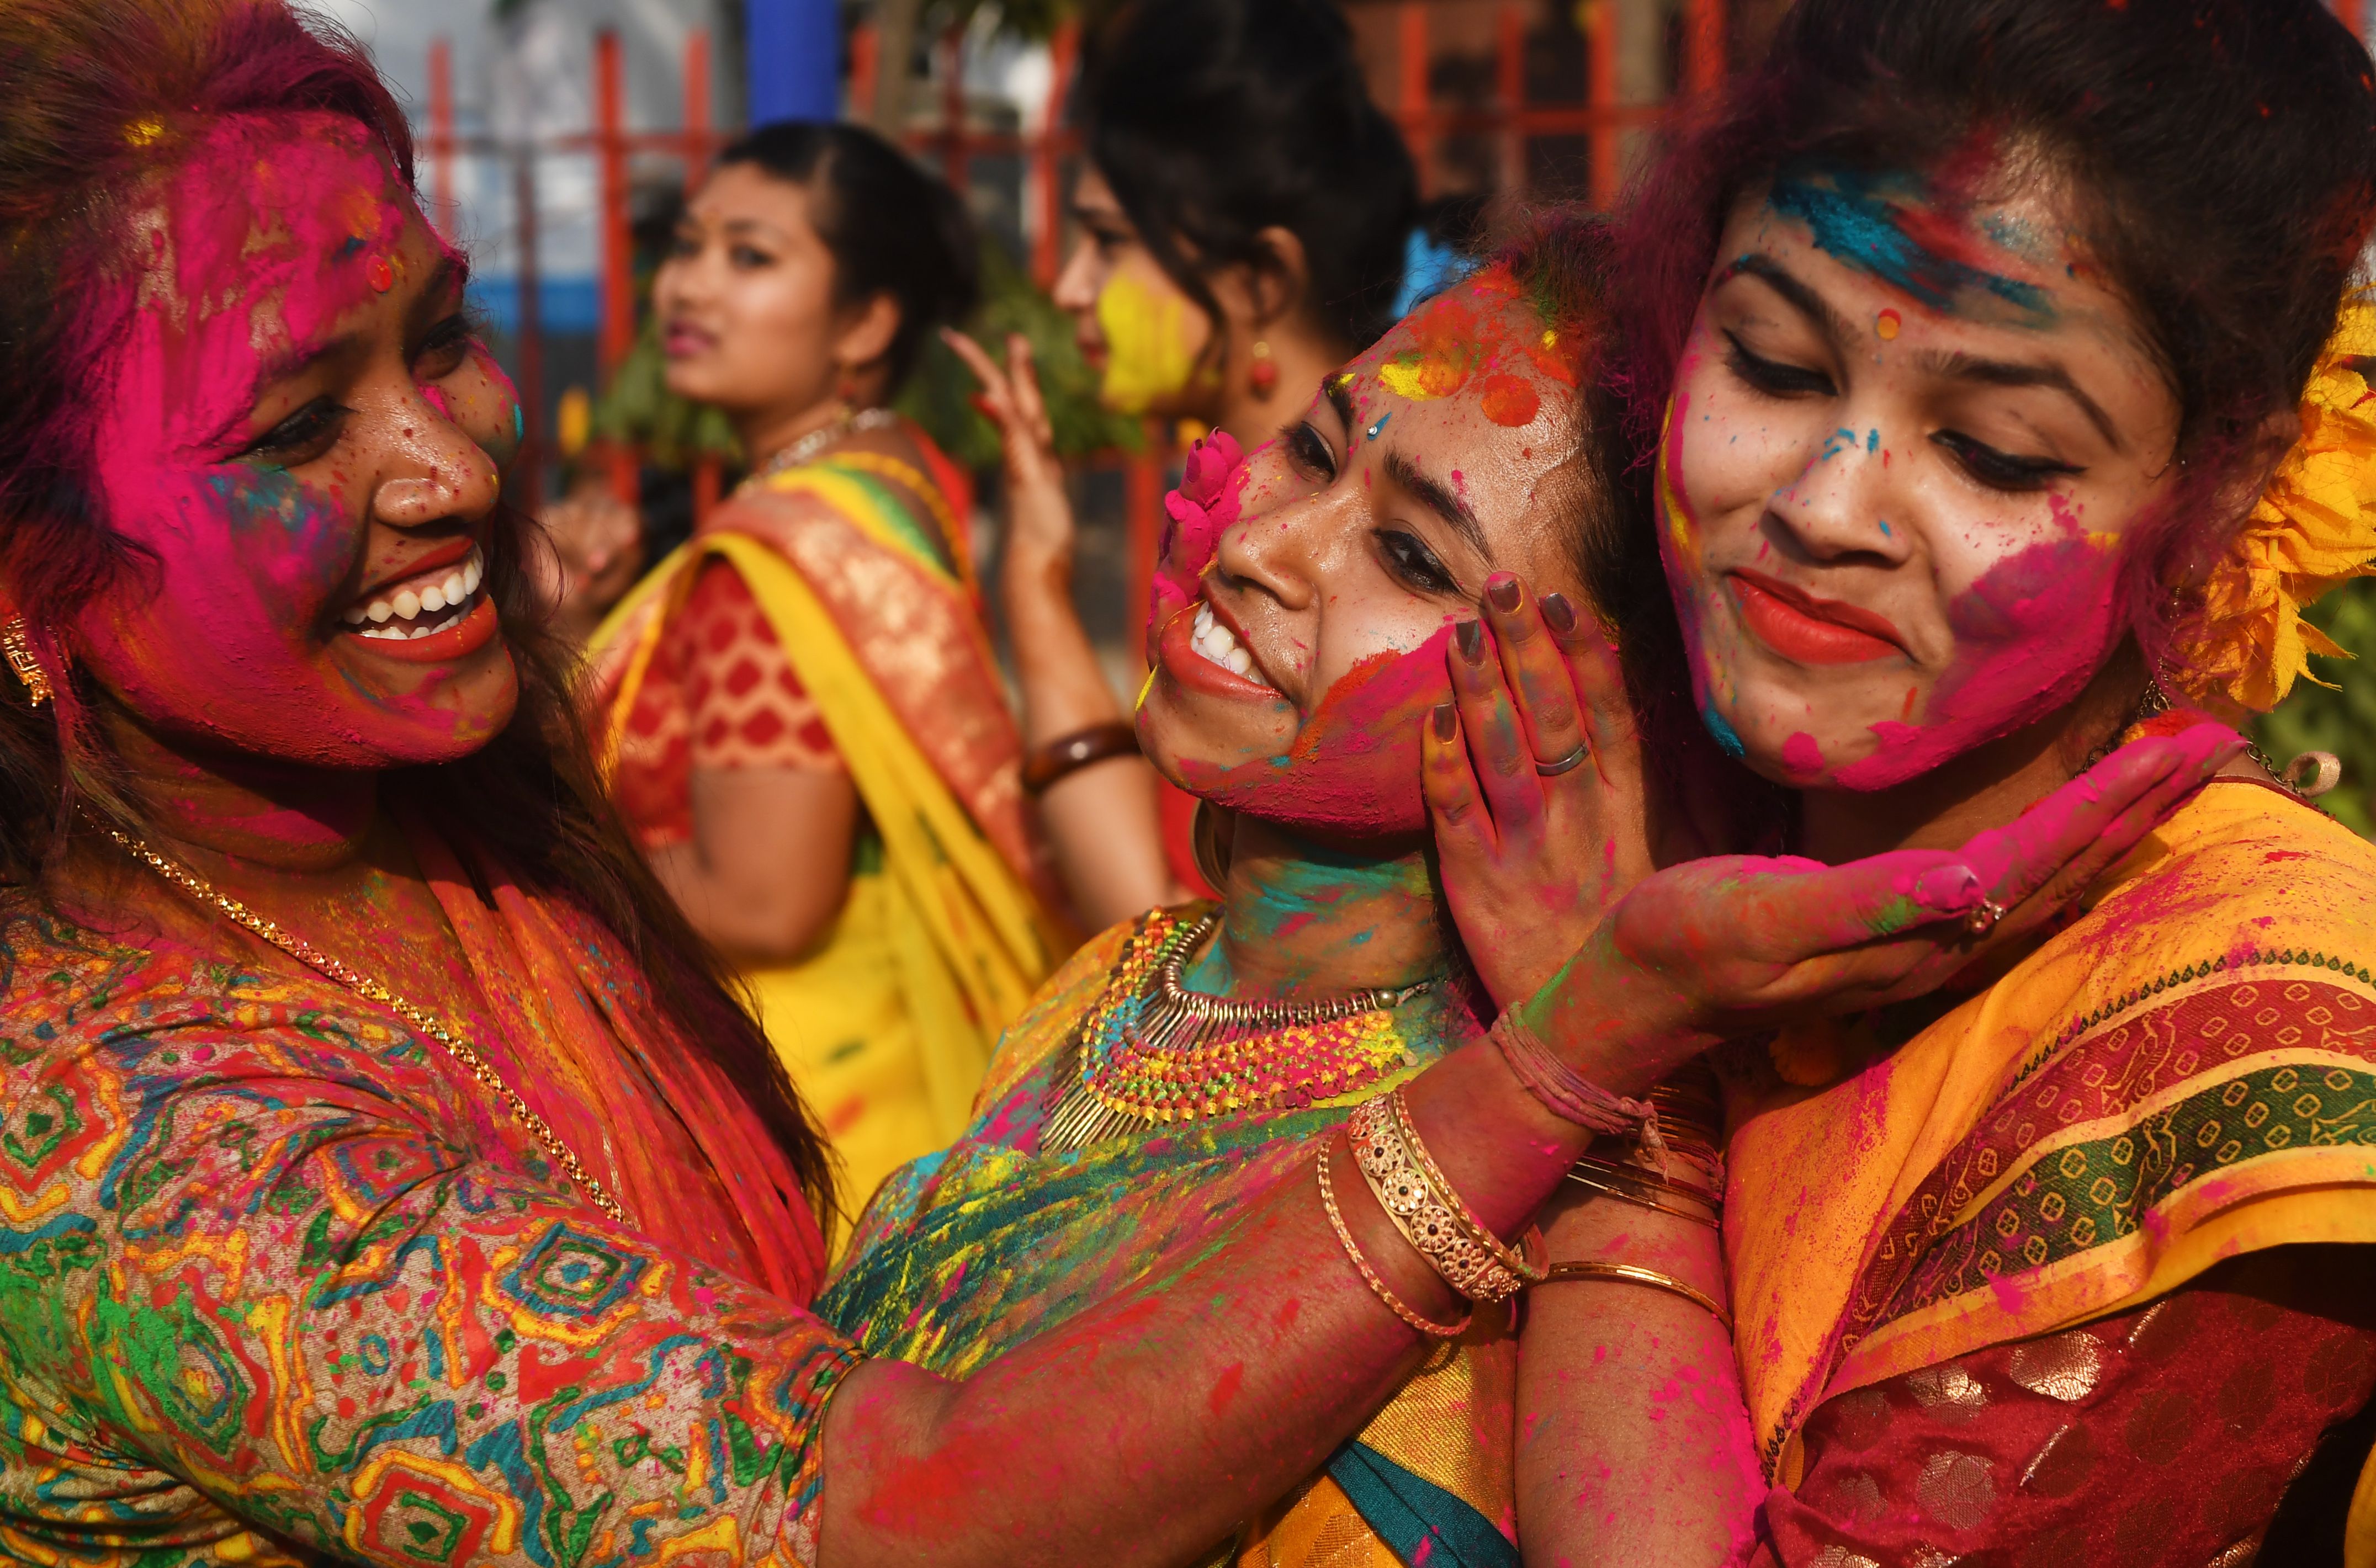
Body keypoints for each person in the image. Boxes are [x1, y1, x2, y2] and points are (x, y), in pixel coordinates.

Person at [0, 9, 2203, 1565]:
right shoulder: (136, 1146)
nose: (460, 459)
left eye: (448, 337)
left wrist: (1583, 1088)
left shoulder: (1495, 1145)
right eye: (297, 427)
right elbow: (884, 1492)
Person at [820, 219, 2234, 1565]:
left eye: (1412, 556)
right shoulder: (1127, 978)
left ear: (1603, 712)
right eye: (1315, 447)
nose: (1265, 545)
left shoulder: (1518, 1206)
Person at [1445, 0, 2376, 1560]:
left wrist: (1607, 1088)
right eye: (1774, 361)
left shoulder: (2251, 1046)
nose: (1826, 504)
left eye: (2000, 453)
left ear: (2221, 491)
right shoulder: (1601, 790)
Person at [581, 122, 1071, 1214]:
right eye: (692, 245)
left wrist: (546, 858)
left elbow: (762, 900)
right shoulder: (889, 481)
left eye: (751, 258)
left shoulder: (777, 558)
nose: (690, 286)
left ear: (863, 322)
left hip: (811, 1113)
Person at [951, 0, 1425, 928]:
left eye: (1112, 243)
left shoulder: (1304, 556)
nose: (1070, 286)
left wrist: (1038, 596)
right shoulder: (1241, 505)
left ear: (1258, 283)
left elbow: (1162, 926)